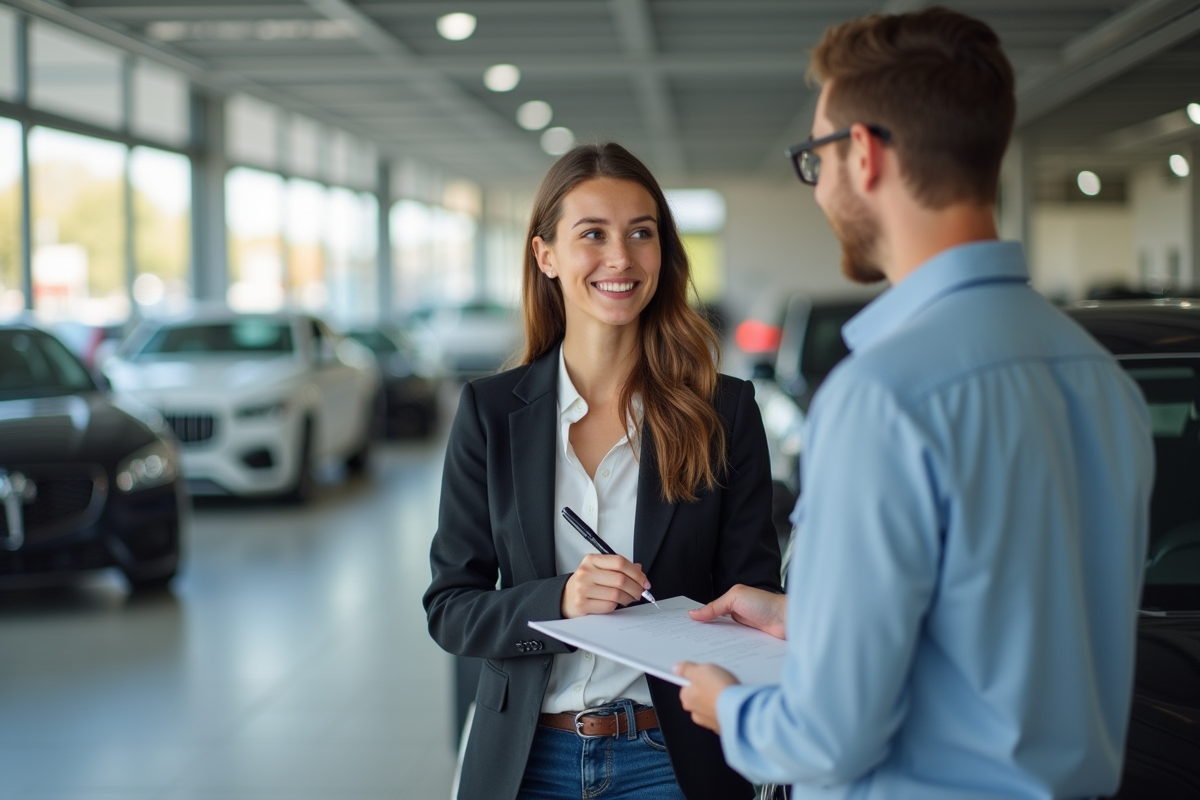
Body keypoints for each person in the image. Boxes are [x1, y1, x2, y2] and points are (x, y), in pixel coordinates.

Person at [675, 8, 1154, 800]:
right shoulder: (1101, 378)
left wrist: (731, 708)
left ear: (861, 154)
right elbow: (1007, 630)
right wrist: (812, 615)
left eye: (815, 157)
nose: (819, 185)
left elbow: (830, 736)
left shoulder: (883, 397)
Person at [423, 142, 782, 800]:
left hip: (673, 763)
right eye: (593, 234)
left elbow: (756, 605)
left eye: (640, 233)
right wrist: (558, 600)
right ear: (546, 256)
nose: (620, 258)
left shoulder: (724, 411)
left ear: (663, 253)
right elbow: (451, 609)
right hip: (528, 761)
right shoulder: (490, 411)